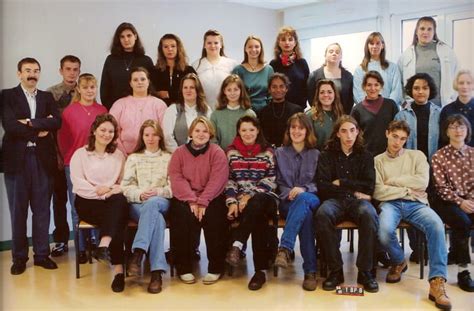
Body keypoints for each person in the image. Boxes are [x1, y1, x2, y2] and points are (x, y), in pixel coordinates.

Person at [374, 120, 451, 310]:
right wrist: (407, 189)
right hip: (390, 204)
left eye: (402, 139)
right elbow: (378, 191)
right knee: (383, 231)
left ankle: (437, 282)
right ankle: (399, 261)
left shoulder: (417, 155)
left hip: (416, 204)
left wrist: (394, 182)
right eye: (394, 137)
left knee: (436, 225)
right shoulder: (378, 160)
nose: (397, 142)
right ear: (387, 134)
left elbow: (422, 182)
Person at [3, 57, 61, 275]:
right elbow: (9, 125)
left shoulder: (47, 97)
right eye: (27, 70)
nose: (32, 74)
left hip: (42, 159)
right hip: (17, 160)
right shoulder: (7, 95)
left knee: (42, 210)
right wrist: (39, 129)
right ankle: (19, 258)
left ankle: (42, 255)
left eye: (36, 70)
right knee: (18, 211)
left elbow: (56, 122)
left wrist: (28, 123)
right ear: (19, 73)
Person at [314, 115, 379, 293]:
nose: (349, 135)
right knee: (322, 214)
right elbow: (323, 186)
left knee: (369, 214)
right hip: (335, 201)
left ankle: (365, 272)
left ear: (357, 132)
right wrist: (353, 190)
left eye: (352, 130)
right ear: (337, 134)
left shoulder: (365, 156)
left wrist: (342, 182)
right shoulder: (326, 155)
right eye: (344, 131)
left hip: (358, 203)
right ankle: (335, 271)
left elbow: (369, 186)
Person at [70, 113, 129, 293]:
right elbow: (78, 184)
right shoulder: (80, 154)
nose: (107, 134)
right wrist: (103, 193)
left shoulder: (119, 155)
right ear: (94, 131)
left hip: (111, 201)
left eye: (111, 131)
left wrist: (111, 190)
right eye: (103, 130)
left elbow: (124, 183)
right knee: (117, 215)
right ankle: (118, 271)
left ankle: (103, 247)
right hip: (87, 202)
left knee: (118, 206)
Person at [168, 116, 229, 285]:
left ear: (210, 134)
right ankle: (184, 268)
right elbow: (176, 177)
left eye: (205, 131)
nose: (201, 134)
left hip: (211, 196)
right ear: (191, 133)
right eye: (197, 130)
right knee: (181, 216)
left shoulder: (217, 152)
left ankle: (216, 267)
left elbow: (218, 178)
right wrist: (191, 200)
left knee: (214, 217)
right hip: (186, 197)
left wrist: (203, 201)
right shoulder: (179, 152)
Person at [57, 73, 107, 263]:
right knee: (77, 203)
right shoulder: (69, 112)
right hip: (74, 163)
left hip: (99, 162)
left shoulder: (102, 110)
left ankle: (97, 244)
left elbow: (108, 134)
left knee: (98, 201)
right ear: (78, 89)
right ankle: (81, 248)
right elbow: (63, 140)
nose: (89, 91)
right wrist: (68, 158)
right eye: (85, 87)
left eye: (92, 87)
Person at [225, 115, 279, 291]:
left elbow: (271, 180)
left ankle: (237, 244)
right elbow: (229, 180)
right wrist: (233, 201)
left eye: (251, 130)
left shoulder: (268, 152)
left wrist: (249, 196)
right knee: (257, 217)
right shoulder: (231, 153)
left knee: (256, 204)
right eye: (243, 130)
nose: (247, 133)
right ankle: (260, 272)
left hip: (266, 197)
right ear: (238, 133)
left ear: (258, 131)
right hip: (242, 202)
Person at [121, 120, 172, 294]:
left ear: (160, 136)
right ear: (142, 137)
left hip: (161, 200)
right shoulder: (133, 158)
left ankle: (138, 252)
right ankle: (156, 273)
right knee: (155, 219)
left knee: (153, 205)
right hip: (138, 203)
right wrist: (140, 194)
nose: (150, 138)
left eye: (154, 134)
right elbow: (126, 187)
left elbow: (174, 187)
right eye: (146, 134)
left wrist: (158, 191)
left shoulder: (169, 157)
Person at [274, 113, 321, 291]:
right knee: (306, 216)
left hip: (312, 197)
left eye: (301, 127)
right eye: (293, 127)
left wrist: (303, 190)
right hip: (287, 201)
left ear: (307, 130)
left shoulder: (316, 154)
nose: (296, 131)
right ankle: (310, 272)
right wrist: (290, 193)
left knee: (304, 202)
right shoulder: (279, 153)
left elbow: (320, 182)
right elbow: (277, 182)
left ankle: (285, 248)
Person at [432, 114, 474, 292]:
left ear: (467, 130)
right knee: (462, 222)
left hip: (471, 200)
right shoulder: (439, 156)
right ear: (446, 131)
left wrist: (471, 200)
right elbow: (440, 187)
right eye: (453, 127)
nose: (458, 130)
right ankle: (463, 271)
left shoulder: (473, 154)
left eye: (461, 127)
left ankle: (455, 253)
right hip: (447, 201)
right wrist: (460, 202)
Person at [47, 55, 81, 257]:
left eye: (75, 69)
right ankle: (60, 239)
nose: (71, 73)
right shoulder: (51, 94)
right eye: (68, 69)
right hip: (58, 153)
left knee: (83, 199)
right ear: (61, 70)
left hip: (81, 155)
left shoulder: (85, 90)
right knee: (59, 199)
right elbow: (50, 127)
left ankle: (87, 240)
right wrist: (57, 155)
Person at [398, 16, 458, 107]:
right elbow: (399, 82)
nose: (425, 32)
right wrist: (403, 102)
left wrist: (454, 100)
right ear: (416, 31)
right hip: (414, 106)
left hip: (441, 105)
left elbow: (457, 77)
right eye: (422, 29)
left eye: (429, 29)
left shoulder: (447, 52)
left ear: (434, 32)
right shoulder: (406, 55)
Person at [110, 67, 167, 155]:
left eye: (143, 79)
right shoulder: (119, 104)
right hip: (123, 155)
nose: (139, 82)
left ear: (148, 82)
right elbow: (111, 131)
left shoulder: (159, 104)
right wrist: (122, 154)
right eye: (135, 80)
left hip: (153, 155)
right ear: (130, 83)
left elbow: (165, 131)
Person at [100, 22, 154, 110]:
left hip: (142, 109)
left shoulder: (146, 60)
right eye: (122, 37)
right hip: (115, 109)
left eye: (129, 35)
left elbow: (152, 88)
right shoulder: (111, 60)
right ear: (118, 39)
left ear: (135, 36)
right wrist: (113, 109)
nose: (126, 39)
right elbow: (104, 89)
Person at [351, 70, 399, 156]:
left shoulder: (391, 105)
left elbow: (399, 130)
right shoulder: (357, 110)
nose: (373, 88)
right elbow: (353, 135)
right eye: (369, 85)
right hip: (366, 156)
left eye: (376, 85)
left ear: (381, 86)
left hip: (390, 155)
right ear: (364, 87)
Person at [395, 73, 440, 161]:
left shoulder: (439, 114)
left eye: (425, 88)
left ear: (430, 90)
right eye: (416, 88)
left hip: (434, 164)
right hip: (409, 164)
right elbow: (396, 143)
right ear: (410, 90)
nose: (420, 92)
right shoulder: (401, 116)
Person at [162, 73, 212, 152]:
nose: (188, 90)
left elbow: (211, 135)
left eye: (192, 87)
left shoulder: (206, 110)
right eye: (185, 87)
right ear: (181, 90)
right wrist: (181, 154)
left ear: (198, 90)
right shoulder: (172, 110)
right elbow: (167, 137)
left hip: (203, 154)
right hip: (178, 155)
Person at [353, 32, 403, 106]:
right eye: (371, 43)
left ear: (382, 45)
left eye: (377, 43)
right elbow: (358, 93)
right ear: (367, 46)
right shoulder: (359, 70)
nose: (374, 46)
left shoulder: (393, 68)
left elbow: (396, 91)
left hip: (389, 111)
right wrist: (369, 108)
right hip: (367, 113)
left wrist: (387, 107)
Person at [192, 29, 237, 109]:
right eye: (209, 43)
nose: (213, 46)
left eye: (216, 43)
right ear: (204, 45)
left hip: (225, 110)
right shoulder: (196, 65)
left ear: (221, 45)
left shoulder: (232, 64)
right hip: (203, 110)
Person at [210, 74, 256, 150]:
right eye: (229, 90)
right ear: (224, 91)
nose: (232, 93)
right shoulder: (215, 115)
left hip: (245, 157)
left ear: (241, 91)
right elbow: (212, 139)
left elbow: (254, 138)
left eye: (236, 89)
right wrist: (220, 155)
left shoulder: (250, 114)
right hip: (222, 157)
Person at [269, 26, 309, 111]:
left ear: (295, 43)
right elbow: (270, 88)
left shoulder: (302, 63)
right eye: (283, 40)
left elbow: (307, 87)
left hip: (298, 109)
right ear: (279, 43)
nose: (287, 43)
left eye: (290, 39)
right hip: (278, 109)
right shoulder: (273, 64)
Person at [308, 43, 354, 114]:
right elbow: (311, 98)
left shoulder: (348, 76)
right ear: (325, 55)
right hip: (320, 117)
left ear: (341, 56)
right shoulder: (314, 76)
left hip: (342, 116)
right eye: (331, 51)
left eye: (337, 52)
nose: (334, 54)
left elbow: (350, 100)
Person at [258, 73, 302, 147]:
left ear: (286, 89)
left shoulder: (296, 110)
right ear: (269, 89)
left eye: (281, 86)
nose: (278, 90)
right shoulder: (263, 112)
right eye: (274, 87)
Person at [152, 33, 196, 106]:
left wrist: (169, 94)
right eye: (166, 47)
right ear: (161, 50)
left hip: (184, 108)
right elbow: (151, 92)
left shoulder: (188, 70)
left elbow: (195, 90)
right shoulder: (155, 70)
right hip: (160, 109)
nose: (170, 49)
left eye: (173, 46)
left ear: (178, 48)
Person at [232, 35, 274, 112]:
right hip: (244, 112)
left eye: (257, 46)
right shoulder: (238, 70)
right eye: (250, 47)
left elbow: (271, 94)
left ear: (261, 49)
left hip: (266, 112)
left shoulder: (269, 69)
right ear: (245, 49)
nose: (253, 49)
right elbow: (233, 93)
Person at [306, 79, 344, 149]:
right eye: (322, 92)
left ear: (335, 94)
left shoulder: (340, 114)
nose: (326, 95)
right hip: (318, 156)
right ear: (318, 95)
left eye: (329, 92)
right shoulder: (310, 115)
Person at [440, 69, 474, 147]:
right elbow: (443, 138)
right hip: (452, 155)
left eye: (469, 83)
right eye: (461, 83)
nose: (465, 86)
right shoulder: (447, 110)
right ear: (456, 85)